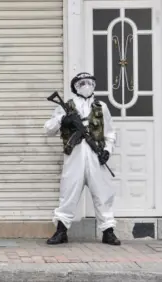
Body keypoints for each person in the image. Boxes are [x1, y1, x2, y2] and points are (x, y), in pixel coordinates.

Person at [44, 72, 121, 246]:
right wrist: (63, 119)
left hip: (96, 156)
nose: (86, 85)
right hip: (75, 158)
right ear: (75, 86)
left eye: (90, 82)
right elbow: (48, 129)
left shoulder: (101, 106)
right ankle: (61, 231)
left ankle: (108, 232)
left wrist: (107, 151)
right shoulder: (66, 106)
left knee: (103, 194)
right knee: (68, 193)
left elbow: (110, 133)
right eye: (82, 83)